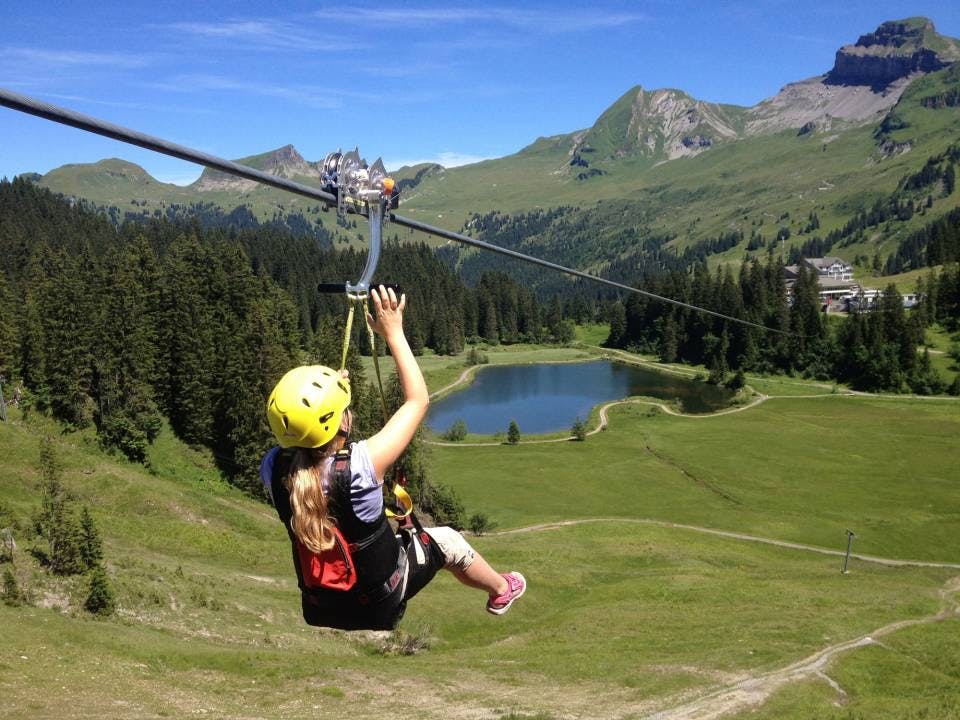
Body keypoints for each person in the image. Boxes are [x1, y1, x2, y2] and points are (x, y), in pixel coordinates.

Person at [261, 285, 525, 630]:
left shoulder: (273, 468)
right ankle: (502, 589)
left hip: (323, 605)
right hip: (379, 601)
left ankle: (499, 589)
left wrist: (332, 395)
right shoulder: (360, 466)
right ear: (342, 421)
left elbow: (308, 452)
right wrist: (394, 333)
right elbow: (417, 400)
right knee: (446, 541)